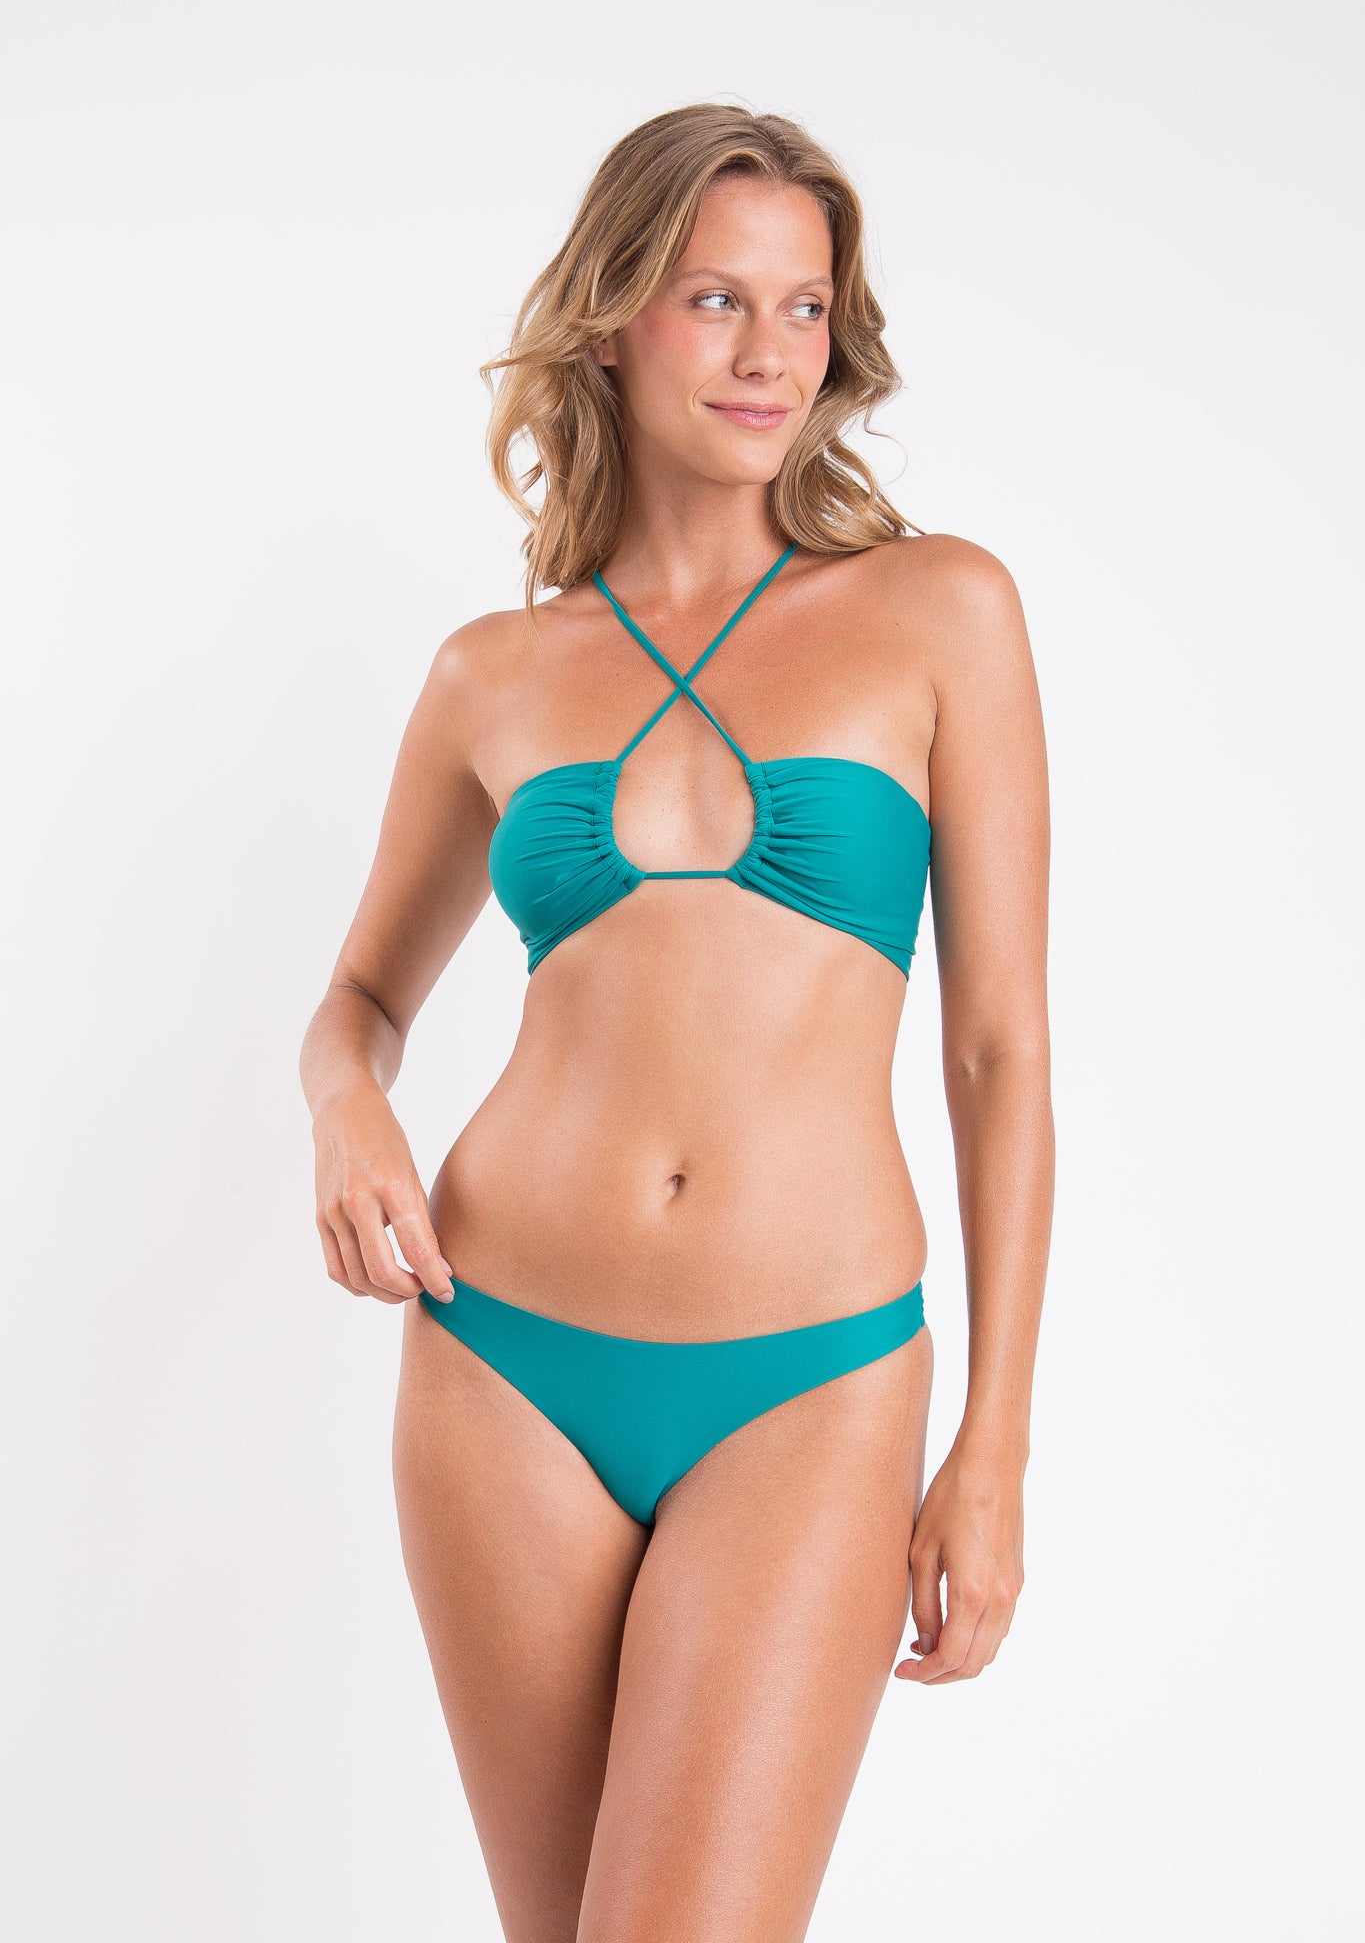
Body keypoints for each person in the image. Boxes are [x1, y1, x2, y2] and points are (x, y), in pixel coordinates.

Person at [299, 101, 1053, 1943]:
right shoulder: (494, 672)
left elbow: (999, 1051)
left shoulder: (938, 610)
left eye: (803, 307)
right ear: (613, 318)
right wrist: (346, 1109)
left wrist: (995, 1445)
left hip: (809, 1379)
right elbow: (360, 999)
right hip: (499, 1363)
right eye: (716, 297)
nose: (767, 351)